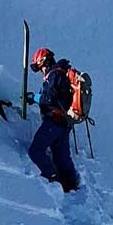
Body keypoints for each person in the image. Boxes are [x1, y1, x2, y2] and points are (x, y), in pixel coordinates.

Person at [27, 46, 81, 193]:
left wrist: (34, 97)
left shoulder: (54, 75)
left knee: (35, 151)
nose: (41, 72)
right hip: (64, 123)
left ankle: (53, 179)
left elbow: (49, 99)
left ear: (44, 62)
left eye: (40, 68)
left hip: (54, 122)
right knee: (61, 157)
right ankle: (72, 184)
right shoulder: (61, 73)